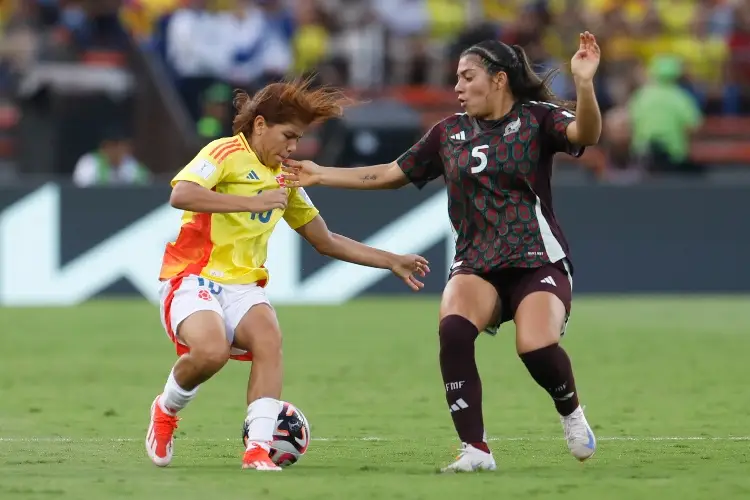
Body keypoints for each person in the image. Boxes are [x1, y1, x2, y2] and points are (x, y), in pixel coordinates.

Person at [283, 33, 603, 472]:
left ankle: (571, 413)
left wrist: (584, 84)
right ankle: (476, 450)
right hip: (477, 263)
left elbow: (586, 133)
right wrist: (320, 175)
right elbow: (391, 174)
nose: (457, 87)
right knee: (453, 331)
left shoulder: (537, 119)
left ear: (499, 80)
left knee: (534, 347)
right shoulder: (448, 133)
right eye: (456, 78)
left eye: (467, 77)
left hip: (537, 260)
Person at [147, 79, 430, 471]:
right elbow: (182, 194)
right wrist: (253, 201)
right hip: (193, 276)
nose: (293, 147)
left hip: (243, 284)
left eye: (298, 138)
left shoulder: (286, 177)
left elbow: (326, 240)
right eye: (288, 136)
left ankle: (257, 451)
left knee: (269, 338)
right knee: (210, 353)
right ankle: (166, 410)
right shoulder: (224, 152)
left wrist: (390, 260)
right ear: (260, 125)